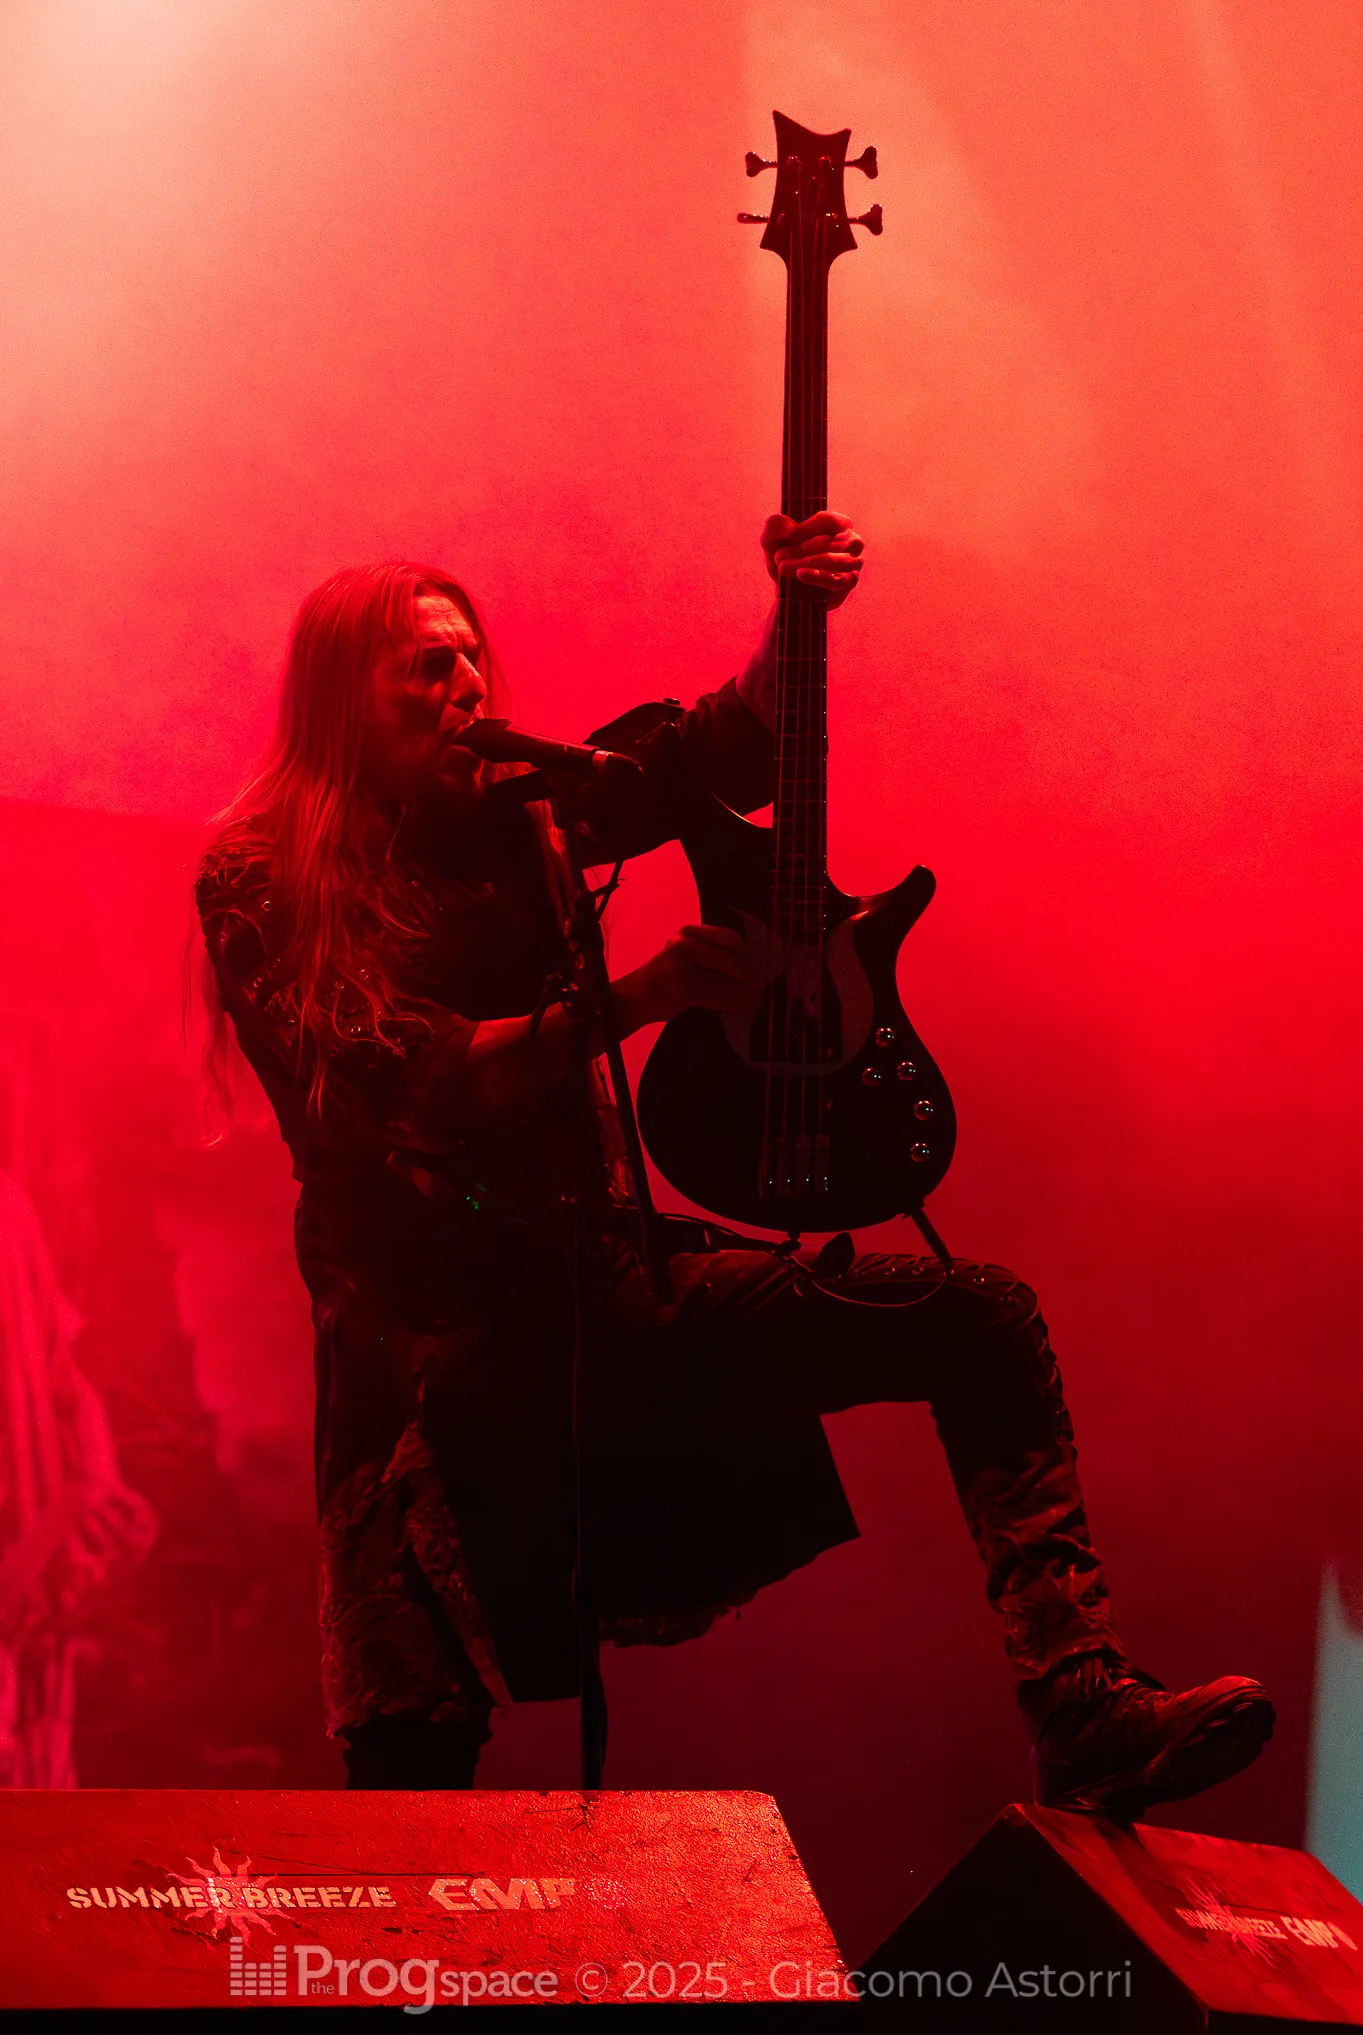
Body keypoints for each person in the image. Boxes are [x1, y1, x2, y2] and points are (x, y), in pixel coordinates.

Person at [197, 512, 1273, 1814]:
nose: (467, 685)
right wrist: (634, 999)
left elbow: (722, 750)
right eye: (426, 666)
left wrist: (794, 607)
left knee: (981, 1321)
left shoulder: (526, 811)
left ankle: (1079, 1701)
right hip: (422, 1358)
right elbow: (409, 1084)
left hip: (601, 1290)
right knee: (415, 1739)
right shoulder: (260, 873)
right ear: (340, 697)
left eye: (472, 657)